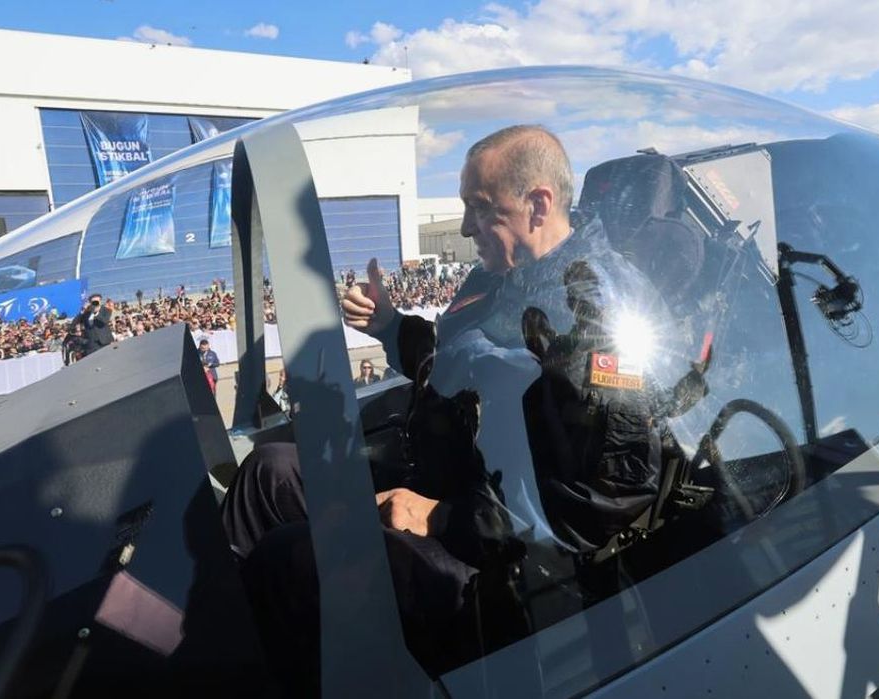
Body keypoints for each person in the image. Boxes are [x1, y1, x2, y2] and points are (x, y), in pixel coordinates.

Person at [227, 124, 676, 673]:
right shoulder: (497, 278)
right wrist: (391, 326)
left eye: (480, 208)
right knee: (269, 474)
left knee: (290, 559)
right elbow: (453, 363)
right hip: (436, 480)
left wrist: (444, 517)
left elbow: (610, 493)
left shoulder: (594, 313)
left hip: (501, 560)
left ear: (538, 205)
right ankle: (213, 636)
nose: (465, 227)